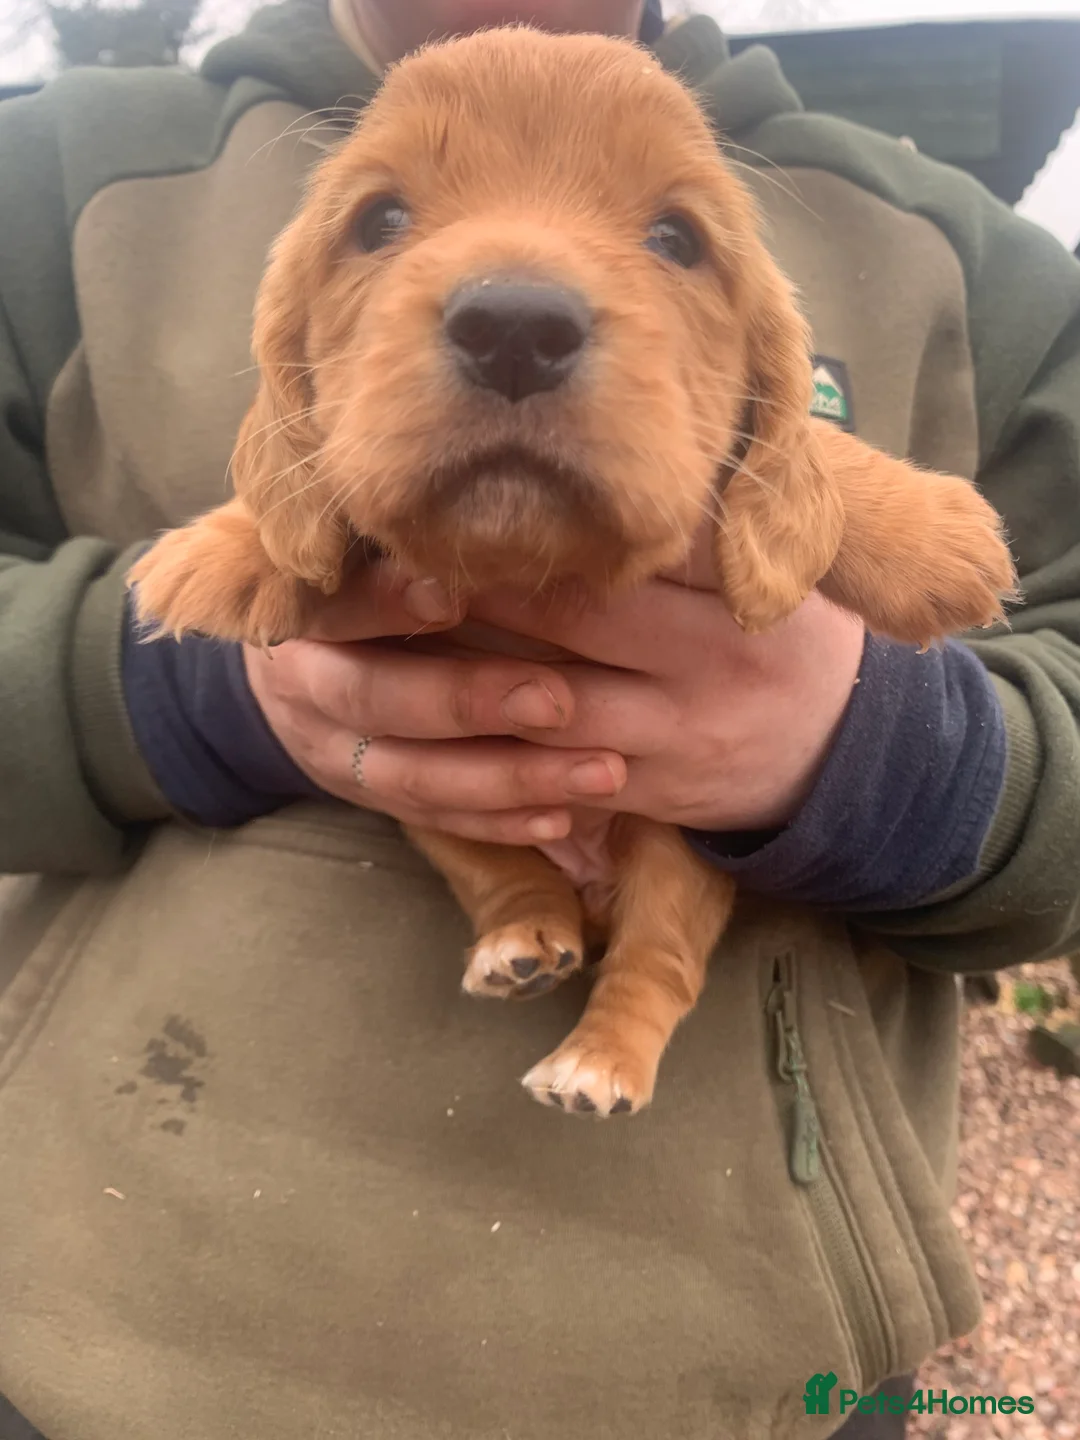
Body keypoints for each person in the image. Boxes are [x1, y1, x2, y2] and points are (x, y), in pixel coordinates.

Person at [0, 0, 1078, 1436]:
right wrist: (165, 685)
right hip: (91, 1332)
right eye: (382, 219)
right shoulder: (55, 183)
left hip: (753, 1383)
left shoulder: (973, 264)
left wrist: (898, 755)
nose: (518, 291)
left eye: (677, 236)